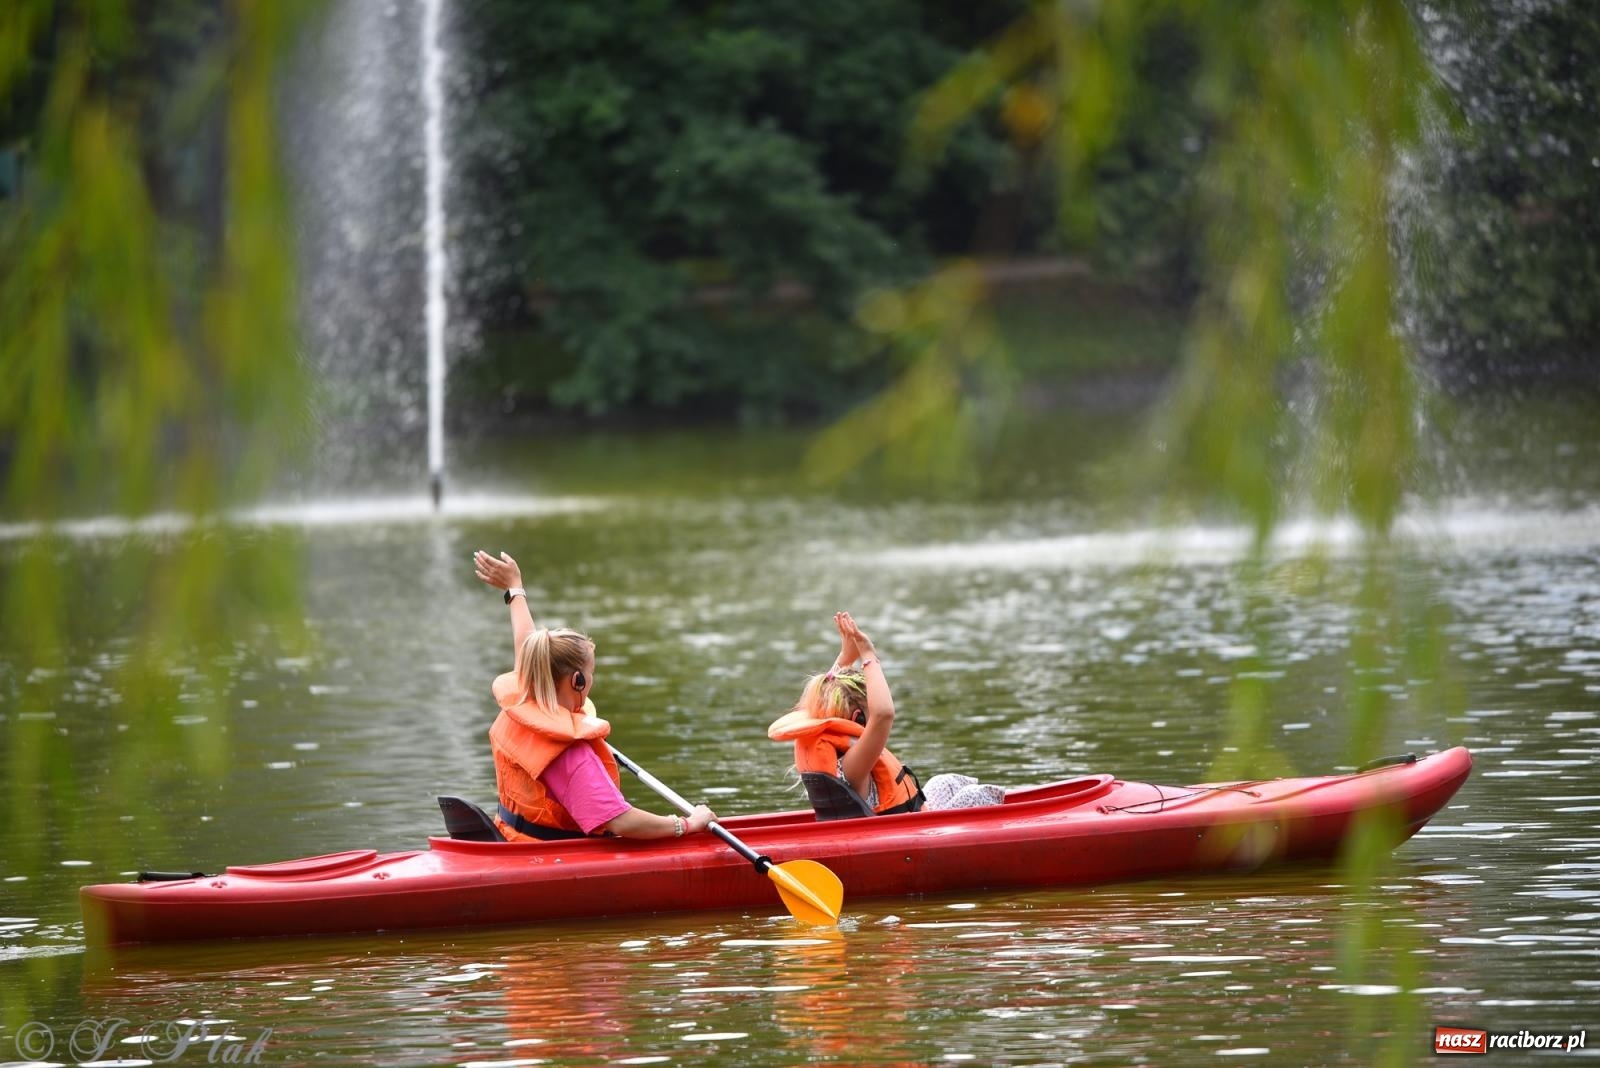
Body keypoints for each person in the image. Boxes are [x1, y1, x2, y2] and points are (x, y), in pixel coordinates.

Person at [472, 549, 716, 842]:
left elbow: (526, 644)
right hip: (549, 860)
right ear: (576, 680)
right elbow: (621, 822)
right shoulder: (568, 753)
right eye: (591, 673)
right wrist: (687, 824)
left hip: (511, 838)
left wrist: (515, 589)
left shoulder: (525, 698)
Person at [767, 612, 1005, 817]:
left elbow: (822, 694)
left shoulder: (831, 751)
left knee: (945, 782)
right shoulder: (852, 766)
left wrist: (845, 658)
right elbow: (883, 715)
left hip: (917, 815)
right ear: (859, 718)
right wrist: (869, 656)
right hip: (916, 833)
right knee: (976, 795)